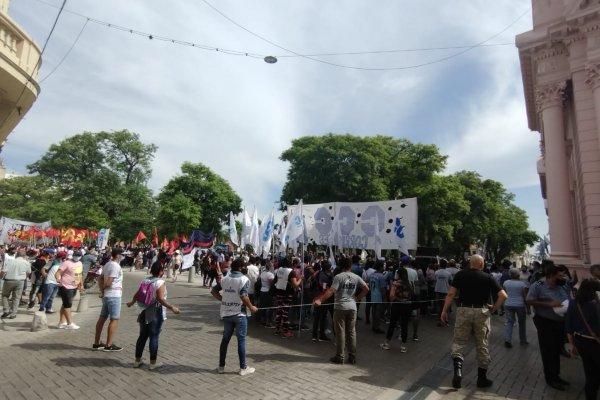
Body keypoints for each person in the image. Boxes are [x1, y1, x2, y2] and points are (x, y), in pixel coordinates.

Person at [441, 254, 507, 389]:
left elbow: (451, 294)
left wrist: (444, 310)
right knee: (482, 344)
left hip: (463, 310)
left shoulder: (460, 275)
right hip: (481, 312)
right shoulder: (488, 277)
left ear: (470, 263)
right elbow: (503, 295)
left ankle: (458, 371)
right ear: (482, 264)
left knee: (459, 341)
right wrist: (494, 308)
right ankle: (482, 379)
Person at [314, 256, 369, 365]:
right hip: (352, 308)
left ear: (341, 266)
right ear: (350, 265)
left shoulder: (338, 277)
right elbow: (366, 288)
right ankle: (352, 357)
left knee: (340, 332)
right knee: (351, 332)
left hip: (340, 308)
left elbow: (331, 291)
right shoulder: (356, 277)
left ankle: (340, 357)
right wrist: (357, 298)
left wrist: (320, 300)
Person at [526, 263, 572, 391]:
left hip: (560, 322)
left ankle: (556, 376)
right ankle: (550, 378)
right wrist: (548, 304)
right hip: (546, 322)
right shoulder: (538, 286)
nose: (563, 278)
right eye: (560, 276)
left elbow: (568, 297)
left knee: (557, 350)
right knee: (548, 351)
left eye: (563, 275)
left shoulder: (562, 285)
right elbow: (529, 300)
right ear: (551, 276)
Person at [126, 261, 180, 370]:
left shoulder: (145, 280)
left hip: (143, 310)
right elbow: (160, 298)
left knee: (142, 336)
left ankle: (137, 360)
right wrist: (172, 308)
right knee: (154, 336)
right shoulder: (160, 282)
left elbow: (137, 294)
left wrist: (132, 302)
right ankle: (152, 363)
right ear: (161, 271)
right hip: (155, 312)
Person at [211, 257, 258, 376]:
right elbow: (243, 296)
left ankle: (221, 367)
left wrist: (223, 300)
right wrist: (251, 307)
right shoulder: (244, 280)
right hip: (239, 314)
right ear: (241, 267)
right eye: (245, 266)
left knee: (225, 340)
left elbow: (213, 291)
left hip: (226, 313)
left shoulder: (225, 279)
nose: (246, 268)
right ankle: (243, 368)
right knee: (241, 340)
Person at [566, 278, 600, 400]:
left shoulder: (573, 303)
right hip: (596, 342)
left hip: (581, 341)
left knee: (590, 373)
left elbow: (569, 327)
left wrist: (571, 345)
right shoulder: (595, 305)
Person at [93, 248, 124, 351]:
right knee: (114, 319)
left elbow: (100, 278)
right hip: (114, 295)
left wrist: (102, 291)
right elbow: (109, 281)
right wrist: (103, 289)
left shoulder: (107, 264)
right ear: (118, 255)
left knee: (102, 318)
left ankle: (97, 343)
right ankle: (109, 345)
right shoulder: (115, 266)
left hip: (107, 295)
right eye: (121, 254)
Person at [381, 267, 413, 353]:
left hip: (397, 306)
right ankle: (403, 346)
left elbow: (391, 296)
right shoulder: (410, 283)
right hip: (407, 306)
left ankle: (387, 343)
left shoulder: (395, 283)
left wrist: (396, 298)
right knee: (404, 326)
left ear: (398, 274)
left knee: (392, 324)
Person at [56, 249, 84, 329]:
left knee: (65, 304)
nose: (77, 257)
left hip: (74, 286)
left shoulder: (80, 263)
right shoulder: (67, 263)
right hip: (65, 286)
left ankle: (61, 322)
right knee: (68, 305)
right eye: (76, 255)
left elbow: (79, 274)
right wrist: (58, 279)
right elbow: (58, 273)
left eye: (79, 256)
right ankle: (69, 323)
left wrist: (81, 285)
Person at [503, 268, 530, 347]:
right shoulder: (522, 284)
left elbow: (504, 293)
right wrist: (528, 308)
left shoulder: (506, 283)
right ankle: (523, 340)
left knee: (509, 322)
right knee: (522, 323)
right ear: (518, 275)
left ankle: (508, 340)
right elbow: (525, 297)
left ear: (510, 274)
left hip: (508, 304)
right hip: (519, 305)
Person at [1, 249, 31, 319]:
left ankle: (6, 310)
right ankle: (13, 313)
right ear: (24, 256)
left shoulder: (10, 262)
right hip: (20, 281)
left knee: (5, 295)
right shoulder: (26, 263)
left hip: (9, 280)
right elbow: (29, 272)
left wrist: (1, 277)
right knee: (16, 298)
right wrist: (24, 277)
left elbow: (3, 271)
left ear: (16, 255)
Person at [312, 260, 334, 342]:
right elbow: (325, 288)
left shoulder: (317, 273)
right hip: (323, 298)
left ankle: (314, 336)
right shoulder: (327, 276)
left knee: (317, 317)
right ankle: (321, 335)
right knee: (323, 317)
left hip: (316, 296)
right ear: (328, 268)